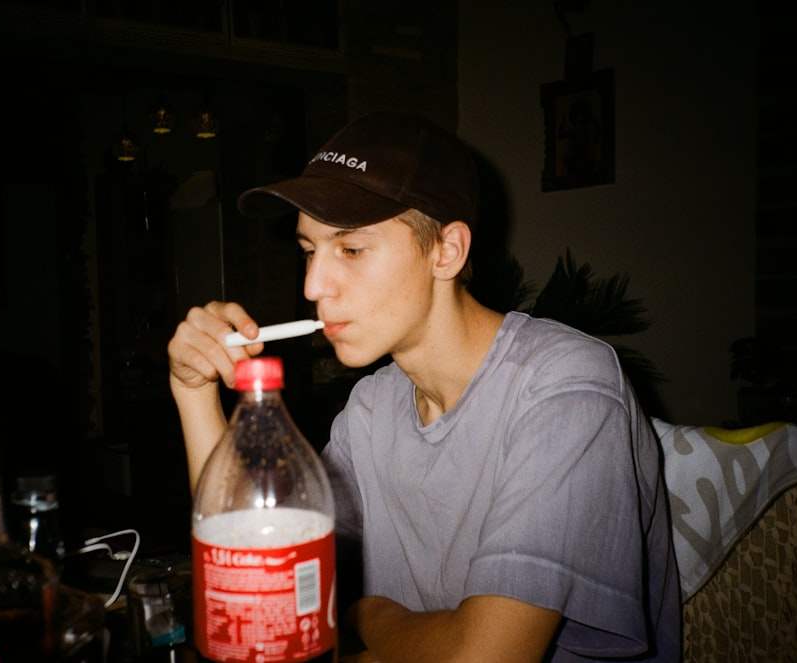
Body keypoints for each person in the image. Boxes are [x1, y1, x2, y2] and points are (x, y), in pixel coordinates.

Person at [166, 110, 681, 662]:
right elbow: (262, 560)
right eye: (310, 251)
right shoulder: (372, 406)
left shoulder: (566, 386)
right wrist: (193, 390)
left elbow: (483, 657)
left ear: (447, 251)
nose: (314, 285)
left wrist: (370, 613)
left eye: (351, 249)